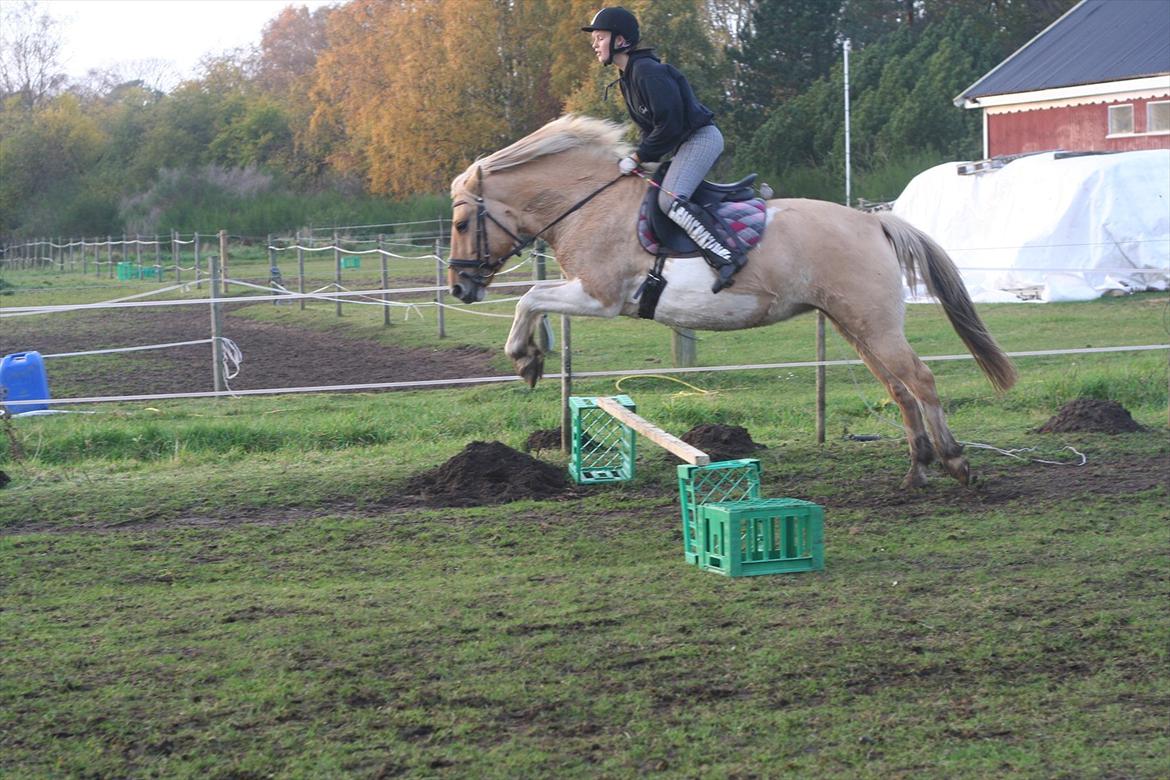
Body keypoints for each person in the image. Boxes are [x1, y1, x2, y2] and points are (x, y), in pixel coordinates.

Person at [582, 6, 747, 292]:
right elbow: (653, 129)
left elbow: (669, 126)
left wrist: (639, 156)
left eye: (599, 38)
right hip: (682, 145)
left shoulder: (647, 72)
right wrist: (638, 159)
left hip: (701, 139)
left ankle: (725, 256)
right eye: (594, 39)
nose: (594, 45)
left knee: (670, 201)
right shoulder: (629, 76)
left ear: (620, 41)